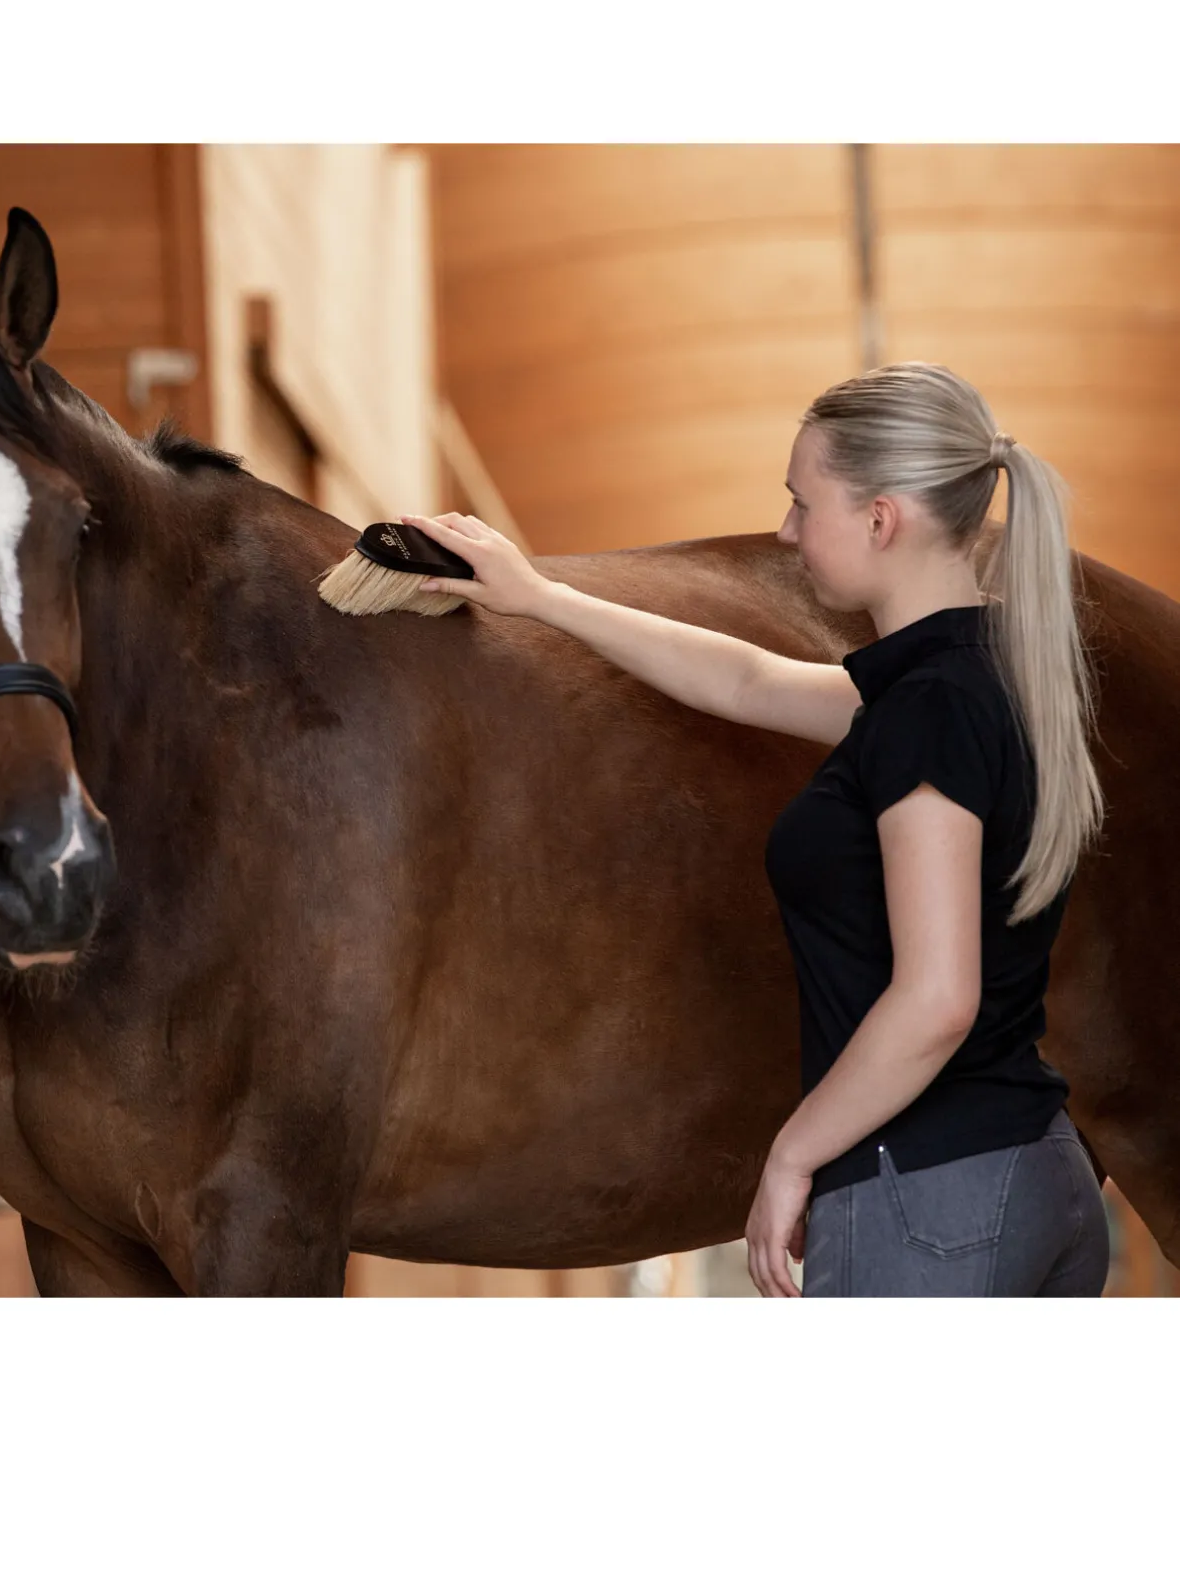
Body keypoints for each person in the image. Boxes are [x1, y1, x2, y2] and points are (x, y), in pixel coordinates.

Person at [400, 362, 1110, 1298]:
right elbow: (749, 683)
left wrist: (791, 1155)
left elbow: (939, 999)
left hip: (928, 1206)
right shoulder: (974, 676)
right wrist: (537, 597)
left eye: (800, 503)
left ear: (881, 519)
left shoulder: (928, 710)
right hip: (1032, 1179)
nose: (785, 531)